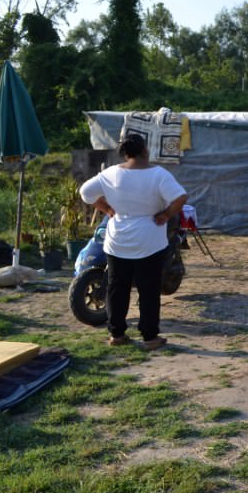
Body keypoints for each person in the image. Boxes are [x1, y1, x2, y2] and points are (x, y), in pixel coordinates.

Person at [79, 134, 188, 350]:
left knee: (117, 288)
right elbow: (180, 197)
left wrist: (108, 209)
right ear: (145, 151)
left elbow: (85, 193)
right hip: (149, 239)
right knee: (148, 290)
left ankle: (116, 334)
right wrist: (165, 215)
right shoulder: (158, 175)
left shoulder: (110, 174)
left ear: (125, 152)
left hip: (118, 239)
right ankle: (149, 337)